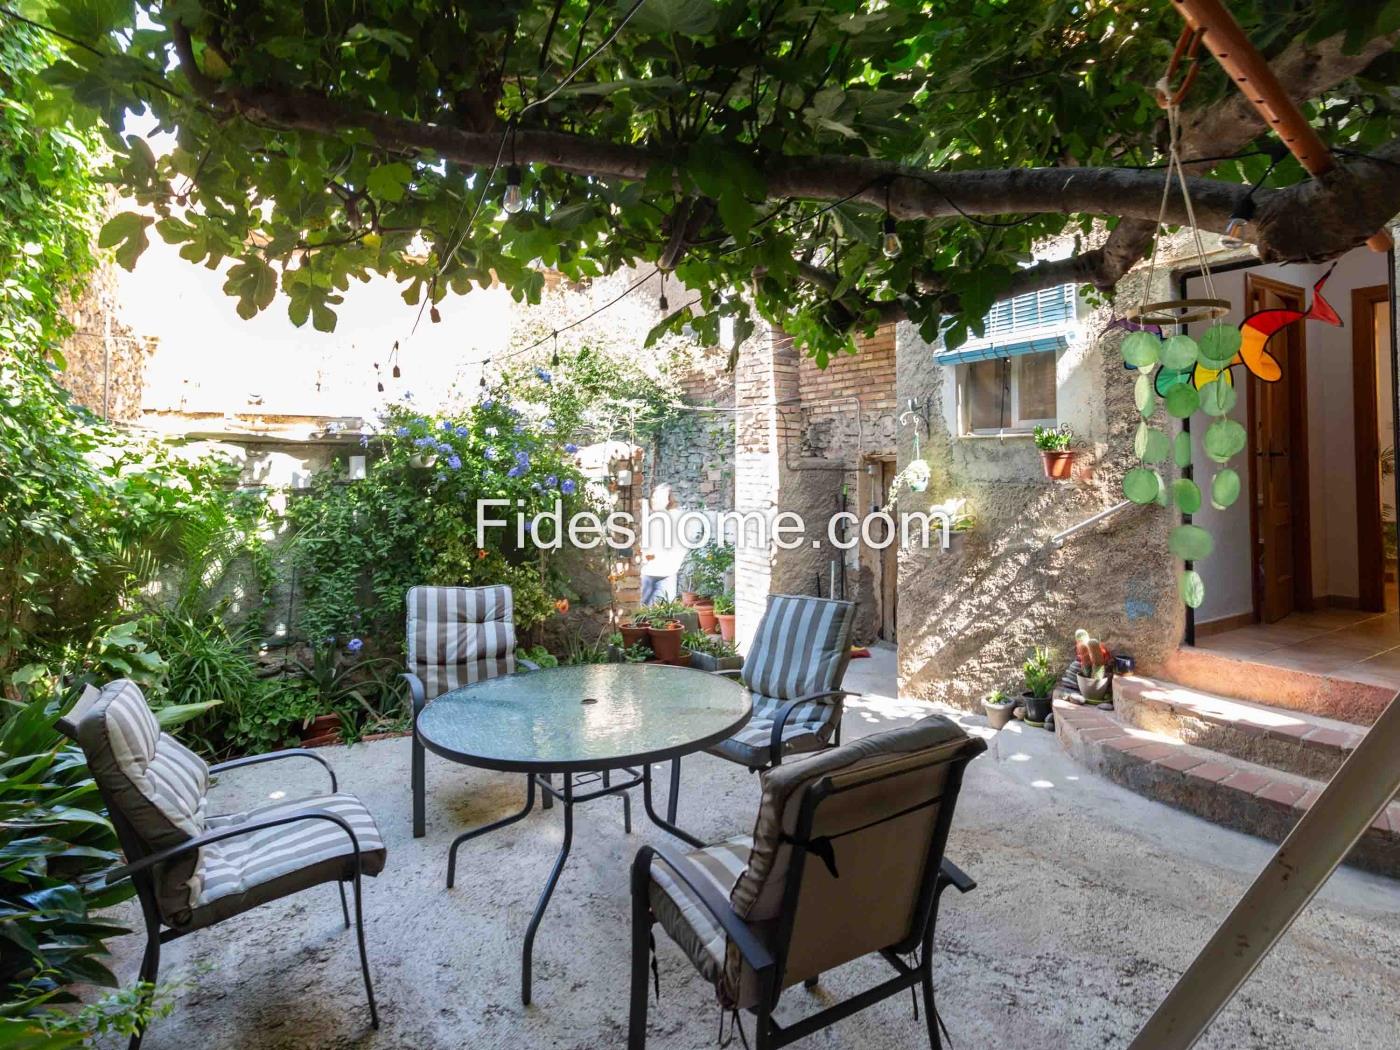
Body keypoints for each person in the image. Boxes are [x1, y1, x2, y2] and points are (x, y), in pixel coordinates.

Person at [640, 484, 686, 604]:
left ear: (668, 499)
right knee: (644, 614)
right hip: (648, 572)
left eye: (659, 497)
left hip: (666, 574)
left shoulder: (674, 518)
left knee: (665, 615)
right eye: (653, 497)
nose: (654, 500)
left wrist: (673, 564)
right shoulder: (650, 519)